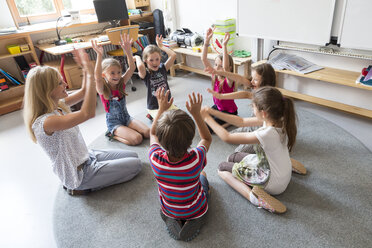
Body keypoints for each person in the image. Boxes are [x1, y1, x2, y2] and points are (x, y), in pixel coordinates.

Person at [23, 48, 142, 196]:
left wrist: (86, 67)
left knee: (134, 157)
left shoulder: (57, 104)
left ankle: (101, 174)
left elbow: (85, 91)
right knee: (136, 165)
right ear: (48, 90)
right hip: (79, 174)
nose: (66, 84)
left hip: (87, 156)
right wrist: (92, 75)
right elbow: (88, 113)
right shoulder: (46, 122)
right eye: (60, 83)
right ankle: (84, 187)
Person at [201, 86, 297, 213]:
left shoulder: (267, 134)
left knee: (222, 168)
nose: (252, 108)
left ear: (264, 113)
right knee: (232, 157)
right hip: (280, 171)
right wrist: (213, 112)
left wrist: (207, 118)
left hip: (273, 182)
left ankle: (253, 197)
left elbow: (227, 137)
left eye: (253, 107)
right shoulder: (279, 120)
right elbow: (241, 121)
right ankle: (284, 164)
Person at [149, 88, 212, 241]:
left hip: (169, 208)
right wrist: (197, 114)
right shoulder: (196, 159)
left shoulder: (154, 158)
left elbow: (152, 134)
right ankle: (196, 219)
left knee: (194, 178)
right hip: (195, 209)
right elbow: (207, 139)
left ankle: (171, 216)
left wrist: (161, 109)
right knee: (203, 178)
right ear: (190, 140)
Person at [92, 34, 149, 145]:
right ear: (104, 74)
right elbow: (97, 78)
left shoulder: (121, 82)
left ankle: (126, 131)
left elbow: (132, 68)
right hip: (114, 123)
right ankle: (112, 134)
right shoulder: (103, 89)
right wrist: (99, 56)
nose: (117, 76)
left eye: (118, 72)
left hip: (126, 118)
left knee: (147, 132)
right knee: (137, 139)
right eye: (112, 73)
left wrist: (128, 51)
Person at [201, 28, 238, 129]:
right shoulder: (215, 76)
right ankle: (229, 120)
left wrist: (225, 45)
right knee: (202, 117)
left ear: (230, 68)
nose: (216, 68)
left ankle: (232, 120)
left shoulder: (229, 80)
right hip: (218, 107)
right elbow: (203, 59)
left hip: (229, 111)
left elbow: (225, 69)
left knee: (210, 127)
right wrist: (206, 40)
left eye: (220, 66)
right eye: (216, 64)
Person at [134, 34, 177, 120]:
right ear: (145, 61)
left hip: (166, 102)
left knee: (178, 118)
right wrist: (137, 57)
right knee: (165, 122)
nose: (155, 63)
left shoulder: (163, 68)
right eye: (151, 60)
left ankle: (153, 115)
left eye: (157, 59)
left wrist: (161, 46)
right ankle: (151, 114)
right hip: (154, 106)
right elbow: (140, 67)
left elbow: (173, 55)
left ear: (160, 58)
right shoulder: (145, 74)